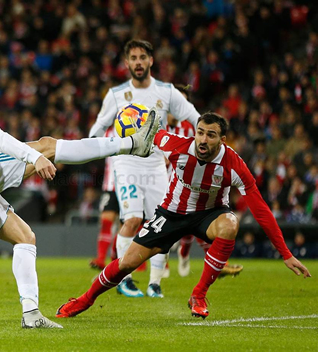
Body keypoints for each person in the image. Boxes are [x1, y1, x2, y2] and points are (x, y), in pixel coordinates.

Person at [0, 31, 159, 329]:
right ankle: (131, 144)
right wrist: (33, 158)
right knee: (47, 145)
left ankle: (31, 314)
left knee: (26, 238)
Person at [56, 112, 311, 320]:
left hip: (210, 215)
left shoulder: (234, 164)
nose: (202, 139)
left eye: (211, 135)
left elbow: (261, 210)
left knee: (230, 224)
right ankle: (85, 299)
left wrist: (286, 253)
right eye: (200, 132)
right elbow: (150, 135)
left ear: (223, 139)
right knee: (126, 263)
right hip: (171, 214)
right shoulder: (177, 145)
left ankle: (198, 294)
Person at [89, 39, 200, 298]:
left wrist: (207, 139)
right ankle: (124, 280)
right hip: (126, 163)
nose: (138, 62)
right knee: (132, 220)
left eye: (143, 57)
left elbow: (193, 116)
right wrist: (89, 147)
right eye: (133, 58)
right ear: (127, 63)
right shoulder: (116, 95)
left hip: (156, 164)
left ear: (151, 60)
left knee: (160, 223)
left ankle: (154, 284)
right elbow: (98, 125)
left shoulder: (167, 91)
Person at [169, 85, 243, 278]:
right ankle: (168, 262)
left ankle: (203, 259)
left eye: (184, 101)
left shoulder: (193, 125)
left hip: (192, 175)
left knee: (196, 214)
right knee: (182, 218)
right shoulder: (162, 120)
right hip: (164, 175)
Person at [89, 126, 120, 270]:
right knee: (106, 220)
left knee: (128, 225)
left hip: (131, 183)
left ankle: (120, 260)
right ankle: (101, 259)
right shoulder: (107, 130)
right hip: (111, 185)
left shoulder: (135, 126)